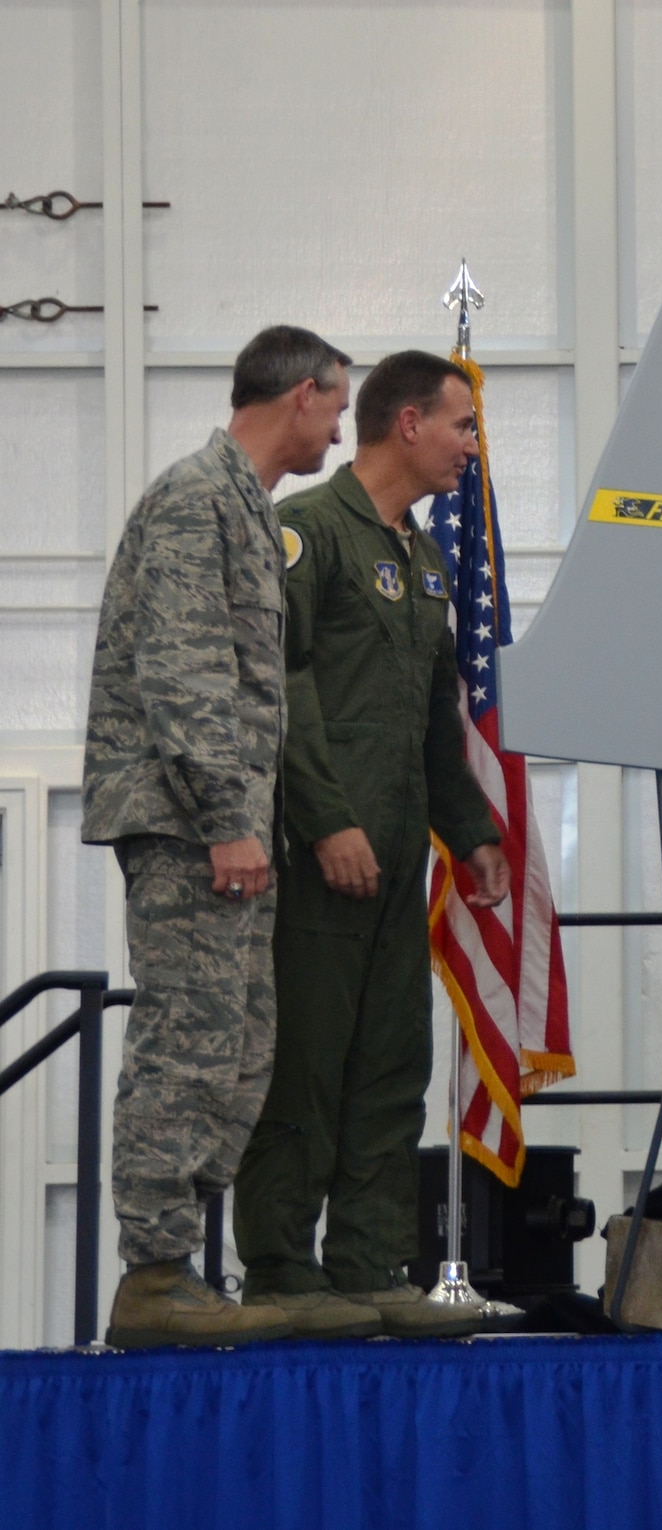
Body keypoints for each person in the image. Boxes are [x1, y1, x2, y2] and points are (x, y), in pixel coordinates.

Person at [83, 325, 352, 1349]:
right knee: (187, 1043)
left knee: (237, 1048)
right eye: (337, 404)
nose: (339, 425)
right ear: (300, 397)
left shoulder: (244, 505)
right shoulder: (199, 499)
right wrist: (229, 822)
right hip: (192, 827)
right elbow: (184, 674)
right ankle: (152, 1276)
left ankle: (180, 1272)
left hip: (227, 827)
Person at [232, 351, 509, 1339]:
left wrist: (468, 832)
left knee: (391, 1058)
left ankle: (366, 1259)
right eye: (462, 427)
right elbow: (282, 690)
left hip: (399, 858)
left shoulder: (428, 561)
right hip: (321, 856)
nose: (470, 449)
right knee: (306, 1059)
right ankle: (278, 1264)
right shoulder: (309, 536)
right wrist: (326, 820)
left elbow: (437, 716)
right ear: (407, 425)